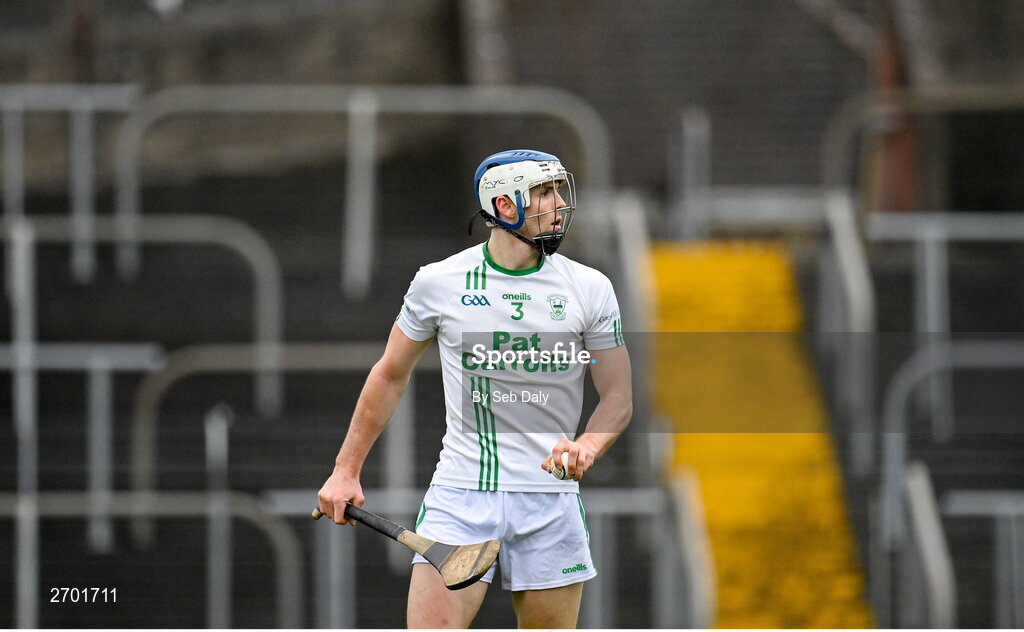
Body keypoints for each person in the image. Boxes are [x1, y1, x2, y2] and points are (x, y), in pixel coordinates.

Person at [317, 149, 632, 628]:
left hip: (550, 498)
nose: (558, 204)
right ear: (504, 206)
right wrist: (345, 470)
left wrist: (588, 445)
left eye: (557, 190)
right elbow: (389, 374)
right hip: (462, 496)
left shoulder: (590, 288)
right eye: (543, 193)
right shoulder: (439, 282)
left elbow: (618, 396)